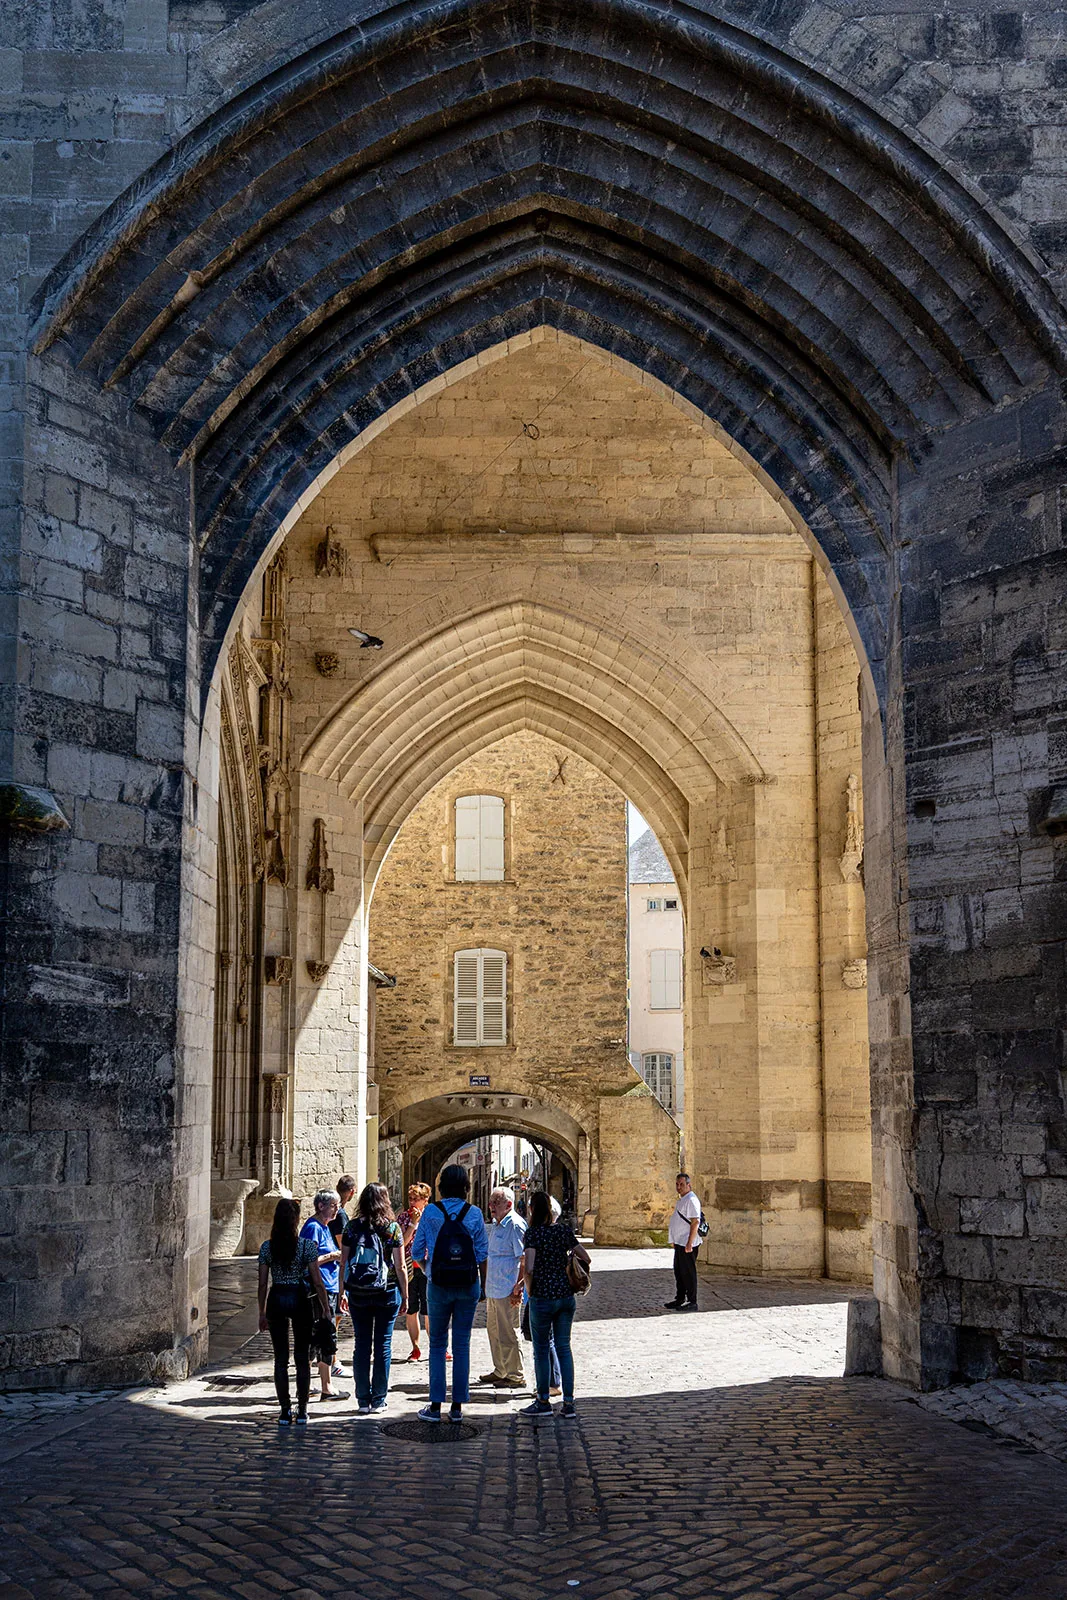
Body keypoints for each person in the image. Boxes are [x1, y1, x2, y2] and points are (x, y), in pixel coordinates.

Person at [410, 1164, 488, 1423]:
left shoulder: (431, 1212)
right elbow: (482, 1254)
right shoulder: (474, 1213)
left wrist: (429, 1269)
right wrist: (483, 1286)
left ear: (442, 1186)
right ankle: (457, 1407)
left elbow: (416, 1251)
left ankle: (434, 1405)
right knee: (462, 1344)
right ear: (466, 1186)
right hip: (468, 1285)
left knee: (436, 1345)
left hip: (439, 1285)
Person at [257, 1197, 332, 1425]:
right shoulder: (306, 1246)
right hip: (299, 1297)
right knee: (301, 1357)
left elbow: (262, 1283)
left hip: (277, 1297)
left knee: (280, 1358)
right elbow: (318, 1282)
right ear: (296, 1220)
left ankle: (284, 1410)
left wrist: (261, 1312)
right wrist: (326, 1309)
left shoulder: (267, 1247)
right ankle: (302, 1410)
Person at [520, 1190, 590, 1421]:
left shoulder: (533, 1234)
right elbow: (586, 1258)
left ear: (532, 1210)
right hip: (565, 1296)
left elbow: (528, 1267)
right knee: (563, 1347)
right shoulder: (562, 1230)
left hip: (542, 1297)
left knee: (540, 1349)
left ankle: (543, 1401)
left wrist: (529, 1290)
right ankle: (569, 1403)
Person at [339, 1182, 408, 1414]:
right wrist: (405, 1296)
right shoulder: (392, 1229)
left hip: (358, 1292)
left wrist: (342, 1292)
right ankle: (379, 1399)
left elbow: (344, 1263)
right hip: (387, 1292)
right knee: (383, 1345)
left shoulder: (351, 1227)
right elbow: (400, 1266)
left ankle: (362, 1400)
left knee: (361, 1345)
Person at [299, 1189, 349, 1399]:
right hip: (318, 1291)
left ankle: (315, 1385)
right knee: (324, 1336)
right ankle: (325, 1387)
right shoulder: (313, 1228)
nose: (337, 1209)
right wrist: (331, 1256)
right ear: (321, 1206)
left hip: (329, 1288)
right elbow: (306, 1262)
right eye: (333, 1206)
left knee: (321, 1336)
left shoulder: (325, 1227)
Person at [477, 1188, 527, 1389]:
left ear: (508, 1205)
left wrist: (519, 1286)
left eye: (496, 1203)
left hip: (508, 1288)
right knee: (495, 1332)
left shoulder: (515, 1225)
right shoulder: (497, 1225)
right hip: (493, 1288)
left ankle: (516, 1374)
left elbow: (524, 1259)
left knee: (509, 1333)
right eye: (491, 1202)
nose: (491, 1207)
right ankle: (501, 1370)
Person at [397, 1181, 432, 1361]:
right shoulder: (403, 1218)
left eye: (416, 1199)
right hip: (409, 1267)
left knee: (430, 1310)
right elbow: (402, 1243)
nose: (412, 1202)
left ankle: (437, 1346)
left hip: (427, 1267)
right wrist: (412, 1223)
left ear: (425, 1200)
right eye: (410, 1198)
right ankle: (415, 1348)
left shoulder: (432, 1217)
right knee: (412, 1310)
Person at [665, 1171, 702, 1310]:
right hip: (680, 1242)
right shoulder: (682, 1199)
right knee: (679, 1272)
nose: (679, 1187)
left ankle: (692, 1301)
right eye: (677, 1184)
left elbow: (695, 1222)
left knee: (688, 1273)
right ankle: (680, 1298)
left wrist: (689, 1243)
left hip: (687, 1243)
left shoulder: (692, 1200)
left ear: (688, 1185)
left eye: (682, 1184)